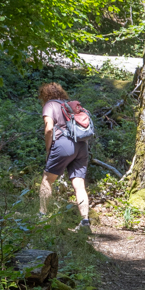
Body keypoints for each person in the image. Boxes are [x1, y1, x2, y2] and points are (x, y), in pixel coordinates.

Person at [38, 82, 91, 228]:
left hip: (63, 144)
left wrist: (48, 149)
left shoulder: (50, 105)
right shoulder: (69, 105)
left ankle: (41, 215)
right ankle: (85, 220)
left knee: (47, 180)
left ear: (45, 94)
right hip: (81, 145)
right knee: (79, 184)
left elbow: (49, 129)